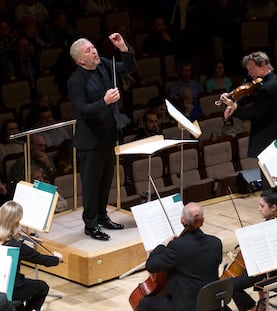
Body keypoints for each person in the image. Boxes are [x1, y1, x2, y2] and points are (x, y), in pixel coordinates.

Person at [67, 33, 136, 241]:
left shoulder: (104, 64)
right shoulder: (75, 81)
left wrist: (124, 48)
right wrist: (105, 101)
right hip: (91, 142)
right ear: (81, 60)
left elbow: (129, 68)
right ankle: (90, 223)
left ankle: (102, 216)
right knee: (91, 185)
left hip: (108, 137)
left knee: (106, 182)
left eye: (93, 47)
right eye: (88, 51)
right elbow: (83, 111)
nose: (94, 51)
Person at [220, 51, 277, 189]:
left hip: (268, 140)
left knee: (270, 182)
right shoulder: (272, 80)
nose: (249, 74)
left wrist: (234, 108)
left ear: (262, 65)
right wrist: (233, 99)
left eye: (251, 69)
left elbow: (255, 116)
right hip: (275, 137)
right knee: (273, 180)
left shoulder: (268, 88)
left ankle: (273, 207)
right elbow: (250, 93)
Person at [138, 202, 223, 311]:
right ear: (203, 220)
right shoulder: (215, 243)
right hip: (211, 304)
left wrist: (162, 245)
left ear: (182, 220)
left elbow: (151, 265)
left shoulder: (177, 247)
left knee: (144, 304)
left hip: (187, 307)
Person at [231, 186, 277, 311]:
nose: (259, 209)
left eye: (262, 206)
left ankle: (252, 308)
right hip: (275, 268)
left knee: (231, 286)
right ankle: (263, 302)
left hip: (271, 271)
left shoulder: (271, 227)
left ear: (273, 208)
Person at [0, 200, 63, 311]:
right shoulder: (17, 246)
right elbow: (40, 258)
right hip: (11, 288)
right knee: (42, 287)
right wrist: (56, 259)